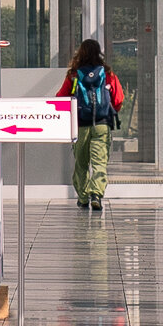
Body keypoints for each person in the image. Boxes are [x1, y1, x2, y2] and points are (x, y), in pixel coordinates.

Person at [64, 36, 126, 212]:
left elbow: (62, 98)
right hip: (101, 124)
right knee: (99, 162)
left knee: (81, 163)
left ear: (80, 53)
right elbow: (119, 99)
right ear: (99, 53)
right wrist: (108, 111)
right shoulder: (107, 74)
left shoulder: (74, 75)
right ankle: (96, 194)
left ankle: (83, 198)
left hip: (80, 125)